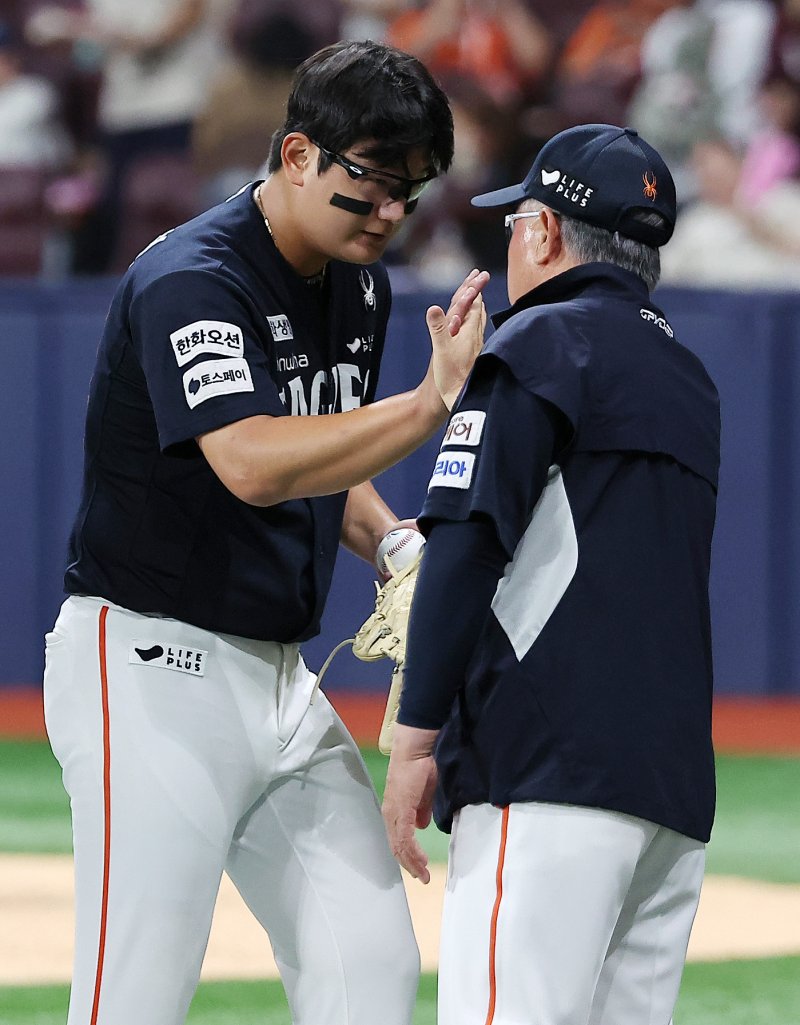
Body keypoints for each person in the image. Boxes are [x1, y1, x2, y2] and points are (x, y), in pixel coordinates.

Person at [43, 40, 488, 1025]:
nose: (387, 215)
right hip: (153, 660)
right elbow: (249, 457)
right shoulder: (192, 278)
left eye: (407, 194)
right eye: (368, 185)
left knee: (368, 966)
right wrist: (427, 404)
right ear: (296, 155)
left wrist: (395, 542)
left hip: (279, 680)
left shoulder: (356, 281)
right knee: (133, 992)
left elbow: (319, 448)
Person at [382, 123, 720, 1025]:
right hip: (671, 793)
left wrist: (416, 744)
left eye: (516, 221)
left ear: (544, 233)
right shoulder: (691, 379)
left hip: (547, 773)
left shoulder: (536, 347)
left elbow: (466, 547)